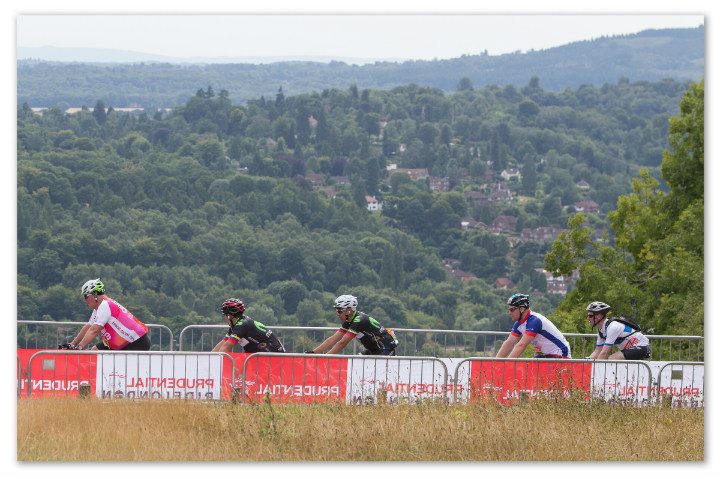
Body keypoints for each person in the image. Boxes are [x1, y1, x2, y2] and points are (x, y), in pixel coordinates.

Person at [60, 278, 151, 351]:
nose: (85, 300)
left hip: (136, 342)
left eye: (86, 296)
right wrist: (72, 344)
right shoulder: (99, 307)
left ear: (95, 295)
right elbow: (88, 327)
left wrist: (80, 347)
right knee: (95, 351)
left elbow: (94, 331)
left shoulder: (105, 305)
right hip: (122, 343)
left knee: (121, 371)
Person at [305, 294, 398, 355]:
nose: (337, 313)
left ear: (349, 310)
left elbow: (342, 343)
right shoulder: (349, 320)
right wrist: (314, 352)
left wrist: (325, 358)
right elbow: (334, 339)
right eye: (337, 310)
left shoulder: (359, 320)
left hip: (386, 349)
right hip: (374, 350)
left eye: (340, 310)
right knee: (356, 364)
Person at [496, 293, 571, 359]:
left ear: (522, 309)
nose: (509, 313)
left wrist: (507, 365)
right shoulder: (519, 323)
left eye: (512, 310)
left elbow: (521, 345)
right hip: (544, 354)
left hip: (559, 353)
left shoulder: (534, 321)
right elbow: (509, 343)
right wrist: (495, 363)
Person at [211, 298, 285, 353]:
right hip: (262, 352)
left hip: (272, 352)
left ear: (229, 316)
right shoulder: (236, 325)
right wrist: (209, 357)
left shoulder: (242, 325)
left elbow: (225, 348)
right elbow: (222, 344)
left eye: (224, 315)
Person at [585, 301, 650, 360]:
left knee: (613, 358)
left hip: (641, 346)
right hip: (630, 349)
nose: (588, 318)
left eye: (590, 316)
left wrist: (595, 369)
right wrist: (585, 362)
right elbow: (597, 352)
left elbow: (604, 353)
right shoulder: (601, 331)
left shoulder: (612, 327)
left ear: (598, 316)